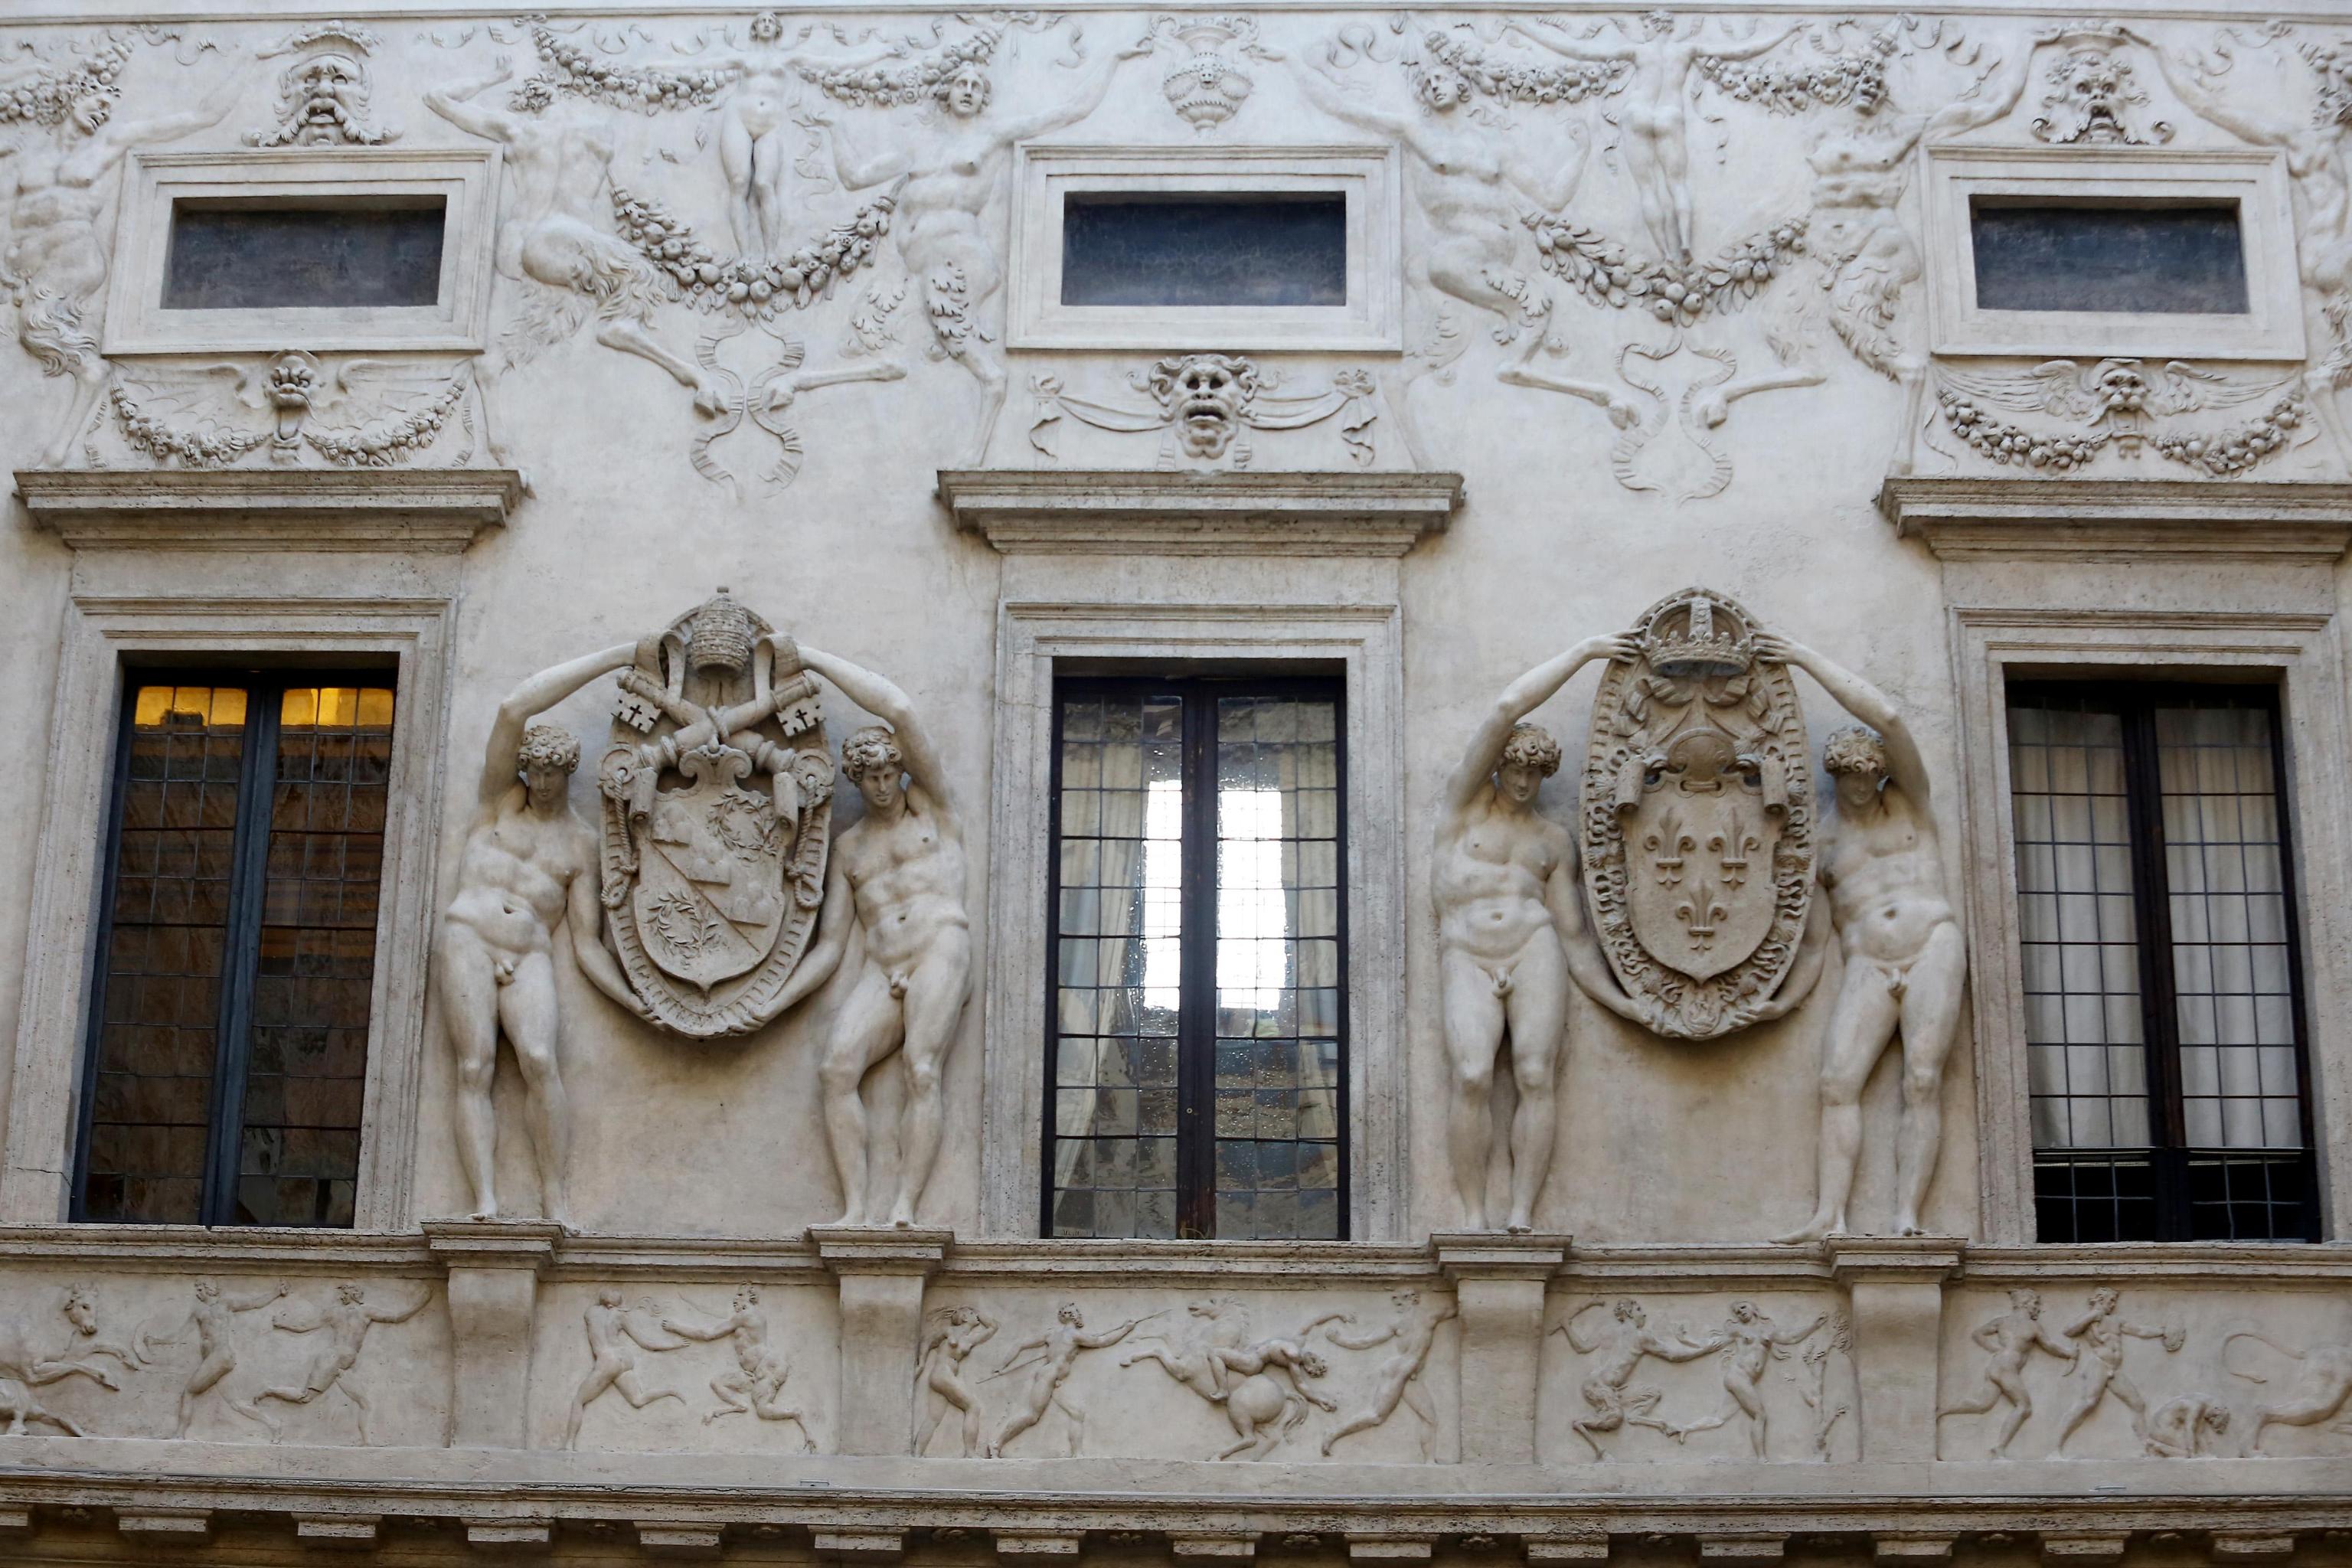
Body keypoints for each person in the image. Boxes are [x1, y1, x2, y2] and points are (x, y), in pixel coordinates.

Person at [813, 42, 1149, 466]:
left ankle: (980, 437)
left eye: (977, 85)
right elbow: (855, 176)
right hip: (917, 264)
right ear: (946, 92)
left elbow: (1069, 112)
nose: (969, 90)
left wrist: (1113, 59)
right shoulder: (916, 149)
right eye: (962, 83)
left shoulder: (990, 137)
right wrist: (833, 128)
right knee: (887, 346)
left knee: (965, 353)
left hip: (958, 256)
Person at [1289, 47, 1628, 466]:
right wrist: (1292, 63)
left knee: (1525, 314)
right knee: (1518, 308)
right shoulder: (1415, 131)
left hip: (1493, 250)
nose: (1434, 85)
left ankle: (1510, 368)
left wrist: (1582, 151)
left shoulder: (1496, 146)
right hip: (1455, 251)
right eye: (1426, 83)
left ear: (1461, 86)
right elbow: (1343, 108)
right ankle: (1515, 367)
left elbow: (1552, 197)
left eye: (1441, 78)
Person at [1758, 634, 1966, 1243]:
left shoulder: (1910, 806)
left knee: (1922, 1078)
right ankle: (1831, 1215)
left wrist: (1802, 658)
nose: (1860, 787)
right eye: (1850, 777)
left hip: (1931, 943)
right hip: (1868, 962)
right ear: (1836, 777)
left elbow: (1891, 719)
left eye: (1869, 775)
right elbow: (1816, 943)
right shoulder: (1823, 843)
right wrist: (1782, 1000)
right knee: (1836, 1082)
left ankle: (1907, 1217)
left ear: (1880, 774)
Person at [1434, 635, 1646, 1233]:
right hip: (1468, 950)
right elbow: (1506, 709)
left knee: (1534, 1074)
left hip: (1535, 948)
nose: (1525, 781)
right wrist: (1586, 653)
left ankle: (1523, 1212)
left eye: (1535, 772)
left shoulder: (1552, 841)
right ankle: (1473, 1214)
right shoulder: (1461, 813)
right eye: (1516, 768)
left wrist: (1622, 1001)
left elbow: (1575, 937)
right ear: (1499, 766)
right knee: (1472, 1074)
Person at [436, 642, 648, 1223]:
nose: (543, 782)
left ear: (568, 773)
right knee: (475, 1066)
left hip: (529, 953)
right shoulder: (497, 804)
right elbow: (513, 710)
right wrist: (616, 658)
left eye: (554, 773)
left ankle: (554, 1198)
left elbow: (586, 943)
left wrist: (630, 997)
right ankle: (484, 1200)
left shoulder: (580, 844)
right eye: (536, 771)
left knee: (538, 1058)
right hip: (469, 937)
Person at [423, 57, 730, 438]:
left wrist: (493, 75)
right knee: (640, 275)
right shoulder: (599, 132)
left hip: (517, 247)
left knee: (550, 322)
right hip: (563, 234)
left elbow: (437, 98)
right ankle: (640, 340)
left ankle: (494, 394)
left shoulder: (517, 129)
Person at [782, 648, 970, 1227]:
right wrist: (776, 1000)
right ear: (856, 780)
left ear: (901, 771)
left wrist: (810, 661)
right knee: (836, 1069)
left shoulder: (933, 813)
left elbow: (900, 710)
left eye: (890, 774)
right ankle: (855, 1209)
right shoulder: (850, 848)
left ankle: (905, 1205)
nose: (884, 786)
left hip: (939, 947)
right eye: (871, 778)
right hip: (882, 965)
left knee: (921, 1068)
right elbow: (831, 946)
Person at [0, 57, 251, 464]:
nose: (103, 111)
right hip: (24, 262)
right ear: (72, 97)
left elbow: (202, 117)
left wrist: (254, 60)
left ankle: (60, 446)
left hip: (71, 253)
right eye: (97, 101)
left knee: (45, 336)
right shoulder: (27, 149)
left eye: (108, 106)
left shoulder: (110, 142)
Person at [1504, 10, 1802, 262]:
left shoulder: (1638, 51)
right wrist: (1785, 33)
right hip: (1670, 114)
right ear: (1669, 27)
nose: (1644, 30)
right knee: (1677, 183)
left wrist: (1528, 30)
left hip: (1637, 113)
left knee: (1648, 187)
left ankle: (1665, 253)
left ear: (1650, 26)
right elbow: (1743, 51)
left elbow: (1579, 50)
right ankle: (1684, 242)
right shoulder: (1686, 51)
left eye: (1645, 26)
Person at [249, 1284, 431, 1444]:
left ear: (354, 1294)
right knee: (305, 1397)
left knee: (365, 1402)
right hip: (333, 1359)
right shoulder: (336, 1312)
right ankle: (268, 1390)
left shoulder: (365, 1311)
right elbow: (306, 1325)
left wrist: (420, 1303)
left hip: (343, 1364)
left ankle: (367, 1442)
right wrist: (283, 1324)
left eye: (344, 1292)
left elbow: (396, 1316)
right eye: (342, 1292)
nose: (341, 1296)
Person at [1555, 1298, 1717, 1458]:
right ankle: (1589, 1435)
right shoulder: (1641, 1337)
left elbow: (1582, 1346)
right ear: (1629, 1312)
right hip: (1598, 1387)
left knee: (1652, 1393)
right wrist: (1704, 1350)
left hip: (1613, 1389)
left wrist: (1566, 1325)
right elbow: (1673, 1355)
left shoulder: (1608, 1330)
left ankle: (1638, 1417)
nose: (1644, 1315)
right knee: (1615, 1418)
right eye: (1639, 1310)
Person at [985, 1304, 1148, 1457]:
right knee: (1031, 1416)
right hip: (1049, 1376)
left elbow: (1020, 1345)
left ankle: (1077, 1454)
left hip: (1056, 1379)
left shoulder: (1052, 1334)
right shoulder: (1074, 1335)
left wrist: (1003, 1365)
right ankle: (996, 1444)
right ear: (1070, 1316)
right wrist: (1126, 1329)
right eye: (1077, 1312)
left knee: (1077, 1413)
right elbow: (1101, 1341)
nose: (1080, 1314)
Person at [663, 1285, 813, 1446]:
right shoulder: (746, 1317)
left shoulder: (746, 1315)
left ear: (750, 1297)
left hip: (767, 1366)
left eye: (740, 1295)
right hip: (753, 1371)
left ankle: (797, 1416)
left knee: (763, 1410)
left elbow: (708, 1334)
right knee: (717, 1383)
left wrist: (676, 1327)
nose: (735, 1299)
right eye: (736, 1295)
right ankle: (739, 1405)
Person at [1936, 1289, 2078, 1457]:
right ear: (2025, 1303)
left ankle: (1943, 1410)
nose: (2037, 1308)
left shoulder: (2002, 1321)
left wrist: (1995, 1349)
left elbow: (1978, 1333)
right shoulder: (2032, 1326)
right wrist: (2069, 1353)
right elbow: (2049, 1346)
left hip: (1997, 1365)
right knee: (2024, 1407)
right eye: (2035, 1303)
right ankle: (2000, 1448)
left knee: (1982, 1404)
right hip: (2007, 1368)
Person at [1675, 1301, 1826, 1459]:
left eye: (1743, 1307)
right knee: (1760, 1415)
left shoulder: (1768, 1331)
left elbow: (1791, 1337)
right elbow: (1712, 1344)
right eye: (1737, 1312)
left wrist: (1814, 1326)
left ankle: (1684, 1428)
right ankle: (1762, 1459)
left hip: (1744, 1381)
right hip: (1738, 1376)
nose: (1740, 1312)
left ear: (1754, 1309)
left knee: (1719, 1419)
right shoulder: (1739, 1332)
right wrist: (1686, 1340)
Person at [1320, 1289, 1457, 1459]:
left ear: (1413, 1299)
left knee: (1430, 1419)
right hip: (1398, 1371)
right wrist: (1339, 1340)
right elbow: (1366, 1341)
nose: (1398, 1304)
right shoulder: (1400, 1322)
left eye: (1401, 1300)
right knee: (1376, 1416)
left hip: (1410, 1375)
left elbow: (1458, 1307)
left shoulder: (1430, 1316)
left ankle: (1430, 1462)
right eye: (1396, 1301)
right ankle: (1333, 1432)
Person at [2050, 1288, 2182, 1455]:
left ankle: (2146, 1446)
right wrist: (2092, 1315)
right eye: (2110, 1300)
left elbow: (2140, 1331)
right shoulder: (2089, 1320)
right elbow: (2069, 1330)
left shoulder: (2116, 1321)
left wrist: (2162, 1332)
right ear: (2100, 1299)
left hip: (2114, 1369)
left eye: (2114, 1301)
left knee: (2138, 1404)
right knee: (2088, 1403)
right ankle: (2056, 1447)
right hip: (2099, 1365)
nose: (2113, 1305)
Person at [565, 1289, 688, 1449]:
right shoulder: (620, 1316)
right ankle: (670, 1390)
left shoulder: (591, 1312)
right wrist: (674, 1344)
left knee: (578, 1401)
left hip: (607, 1361)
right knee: (637, 1400)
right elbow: (646, 1343)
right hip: (624, 1359)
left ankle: (569, 1444)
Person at [915, 1305, 997, 1457]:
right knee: (973, 1407)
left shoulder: (970, 1338)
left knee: (934, 1417)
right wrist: (921, 1363)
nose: (976, 1316)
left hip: (943, 1377)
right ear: (964, 1317)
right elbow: (927, 1340)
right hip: (943, 1373)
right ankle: (970, 1453)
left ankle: (917, 1453)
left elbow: (993, 1327)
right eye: (972, 1313)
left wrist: (977, 1311)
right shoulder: (949, 1331)